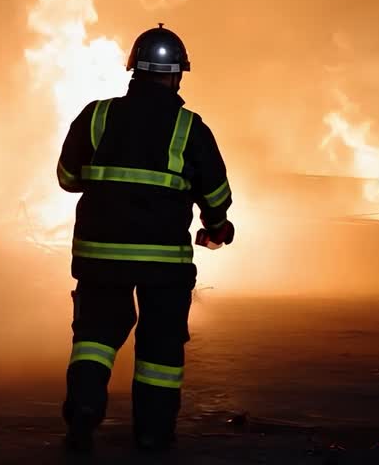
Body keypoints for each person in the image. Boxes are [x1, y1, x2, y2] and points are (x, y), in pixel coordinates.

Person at [54, 23, 234, 453]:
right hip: (163, 264)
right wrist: (216, 227)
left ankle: (82, 412)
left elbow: (66, 177)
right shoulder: (190, 129)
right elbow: (216, 193)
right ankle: (152, 432)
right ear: (176, 76)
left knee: (94, 338)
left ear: (134, 70)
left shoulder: (96, 115)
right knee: (160, 346)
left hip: (100, 256)